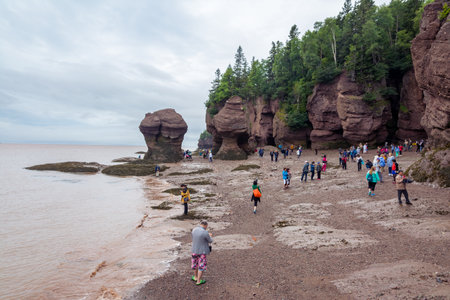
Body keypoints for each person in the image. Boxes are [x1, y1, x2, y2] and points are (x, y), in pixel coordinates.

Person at [191, 220, 213, 285]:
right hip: (202, 251)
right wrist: (210, 236)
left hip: (194, 250)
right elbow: (210, 241)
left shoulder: (194, 230)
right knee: (201, 265)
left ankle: (195, 277)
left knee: (195, 264)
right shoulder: (205, 232)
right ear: (206, 225)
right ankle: (198, 281)